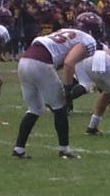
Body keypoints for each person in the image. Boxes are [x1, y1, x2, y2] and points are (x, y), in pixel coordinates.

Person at [12, 27, 98, 159]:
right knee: (60, 107)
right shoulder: (89, 41)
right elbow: (69, 63)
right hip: (40, 63)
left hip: (24, 61)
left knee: (34, 109)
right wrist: (68, 89)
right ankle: (64, 149)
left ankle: (19, 149)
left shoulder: (65, 32)